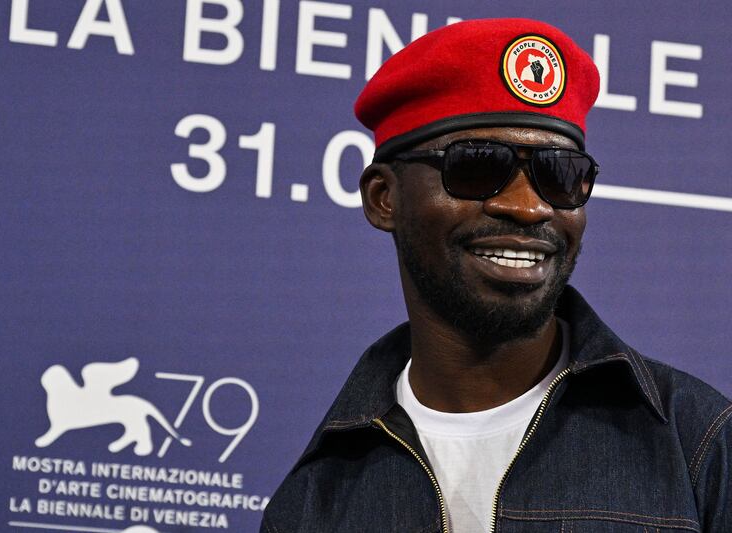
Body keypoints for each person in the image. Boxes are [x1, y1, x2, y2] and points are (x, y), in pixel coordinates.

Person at [261, 18, 731, 533]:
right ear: (384, 197)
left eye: (560, 174)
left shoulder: (700, 441)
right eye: (478, 167)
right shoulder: (314, 501)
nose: (529, 208)